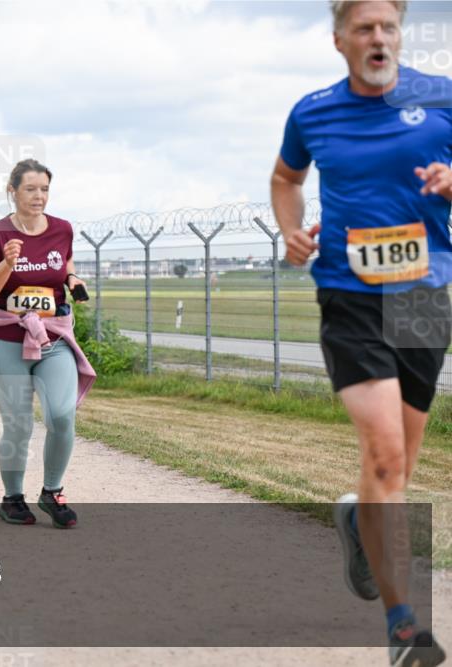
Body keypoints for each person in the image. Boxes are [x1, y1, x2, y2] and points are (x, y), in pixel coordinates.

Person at [270, 2, 450, 665]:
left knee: (400, 460)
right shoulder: (312, 111)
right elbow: (286, 178)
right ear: (341, 40)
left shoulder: (443, 100)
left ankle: (356, 518)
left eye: (389, 27)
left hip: (426, 294)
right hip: (350, 295)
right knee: (382, 455)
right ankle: (404, 628)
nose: (379, 38)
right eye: (366, 29)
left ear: (401, 33)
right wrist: (290, 229)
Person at [0, 159, 95, 529]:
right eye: (31, 189)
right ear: (11, 191)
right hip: (7, 339)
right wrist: (6, 264)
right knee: (18, 424)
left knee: (62, 415)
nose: (39, 196)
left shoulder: (62, 228)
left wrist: (74, 278)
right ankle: (12, 499)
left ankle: (52, 491)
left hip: (54, 335)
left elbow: (63, 262)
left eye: (44, 189)